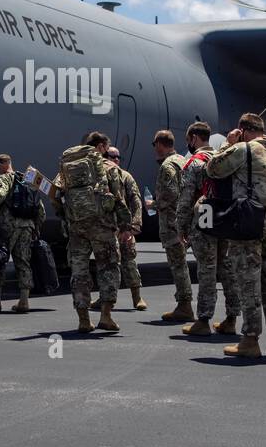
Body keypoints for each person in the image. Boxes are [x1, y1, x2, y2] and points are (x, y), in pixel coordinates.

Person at [205, 113, 266, 358]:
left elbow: (213, 169)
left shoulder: (243, 149)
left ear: (243, 130)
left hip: (248, 222)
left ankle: (251, 339)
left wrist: (227, 144)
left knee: (248, 281)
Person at [53, 131, 132, 333]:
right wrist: (125, 225)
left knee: (79, 273)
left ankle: (83, 319)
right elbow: (118, 198)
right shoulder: (109, 169)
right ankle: (105, 316)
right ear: (102, 147)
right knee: (108, 268)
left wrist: (66, 215)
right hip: (102, 227)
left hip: (77, 228)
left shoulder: (66, 169)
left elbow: (55, 194)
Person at [174, 121, 239, 335]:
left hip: (204, 215)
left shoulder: (194, 162)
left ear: (193, 138)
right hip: (226, 216)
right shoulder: (223, 158)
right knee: (226, 268)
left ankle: (203, 319)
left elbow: (185, 199)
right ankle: (231, 318)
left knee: (207, 269)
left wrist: (180, 226)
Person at [0, 153, 45, 314]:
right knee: (23, 262)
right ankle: (24, 301)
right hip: (27, 226)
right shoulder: (27, 180)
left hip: (9, 226)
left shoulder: (4, 178)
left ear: (0, 165)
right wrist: (36, 227)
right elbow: (40, 209)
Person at [148, 130, 194, 314]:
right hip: (185, 221)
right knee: (181, 263)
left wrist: (154, 204)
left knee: (178, 264)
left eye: (154, 144)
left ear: (160, 144)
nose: (154, 149)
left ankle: (185, 305)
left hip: (172, 223)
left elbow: (170, 193)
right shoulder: (183, 161)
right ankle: (185, 304)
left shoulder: (167, 166)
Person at [98, 146, 147, 310]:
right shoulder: (100, 177)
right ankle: (103, 297)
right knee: (105, 264)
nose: (116, 159)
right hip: (108, 227)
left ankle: (137, 297)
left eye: (118, 157)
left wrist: (134, 226)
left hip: (123, 227)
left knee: (129, 262)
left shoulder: (126, 176)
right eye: (113, 156)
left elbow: (136, 201)